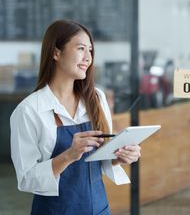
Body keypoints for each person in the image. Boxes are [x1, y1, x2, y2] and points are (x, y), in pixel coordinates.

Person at [10, 19, 141, 215]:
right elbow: (26, 178)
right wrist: (69, 155)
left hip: (98, 208)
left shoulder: (96, 98)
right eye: (81, 48)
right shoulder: (29, 110)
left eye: (90, 50)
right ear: (56, 53)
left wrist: (119, 157)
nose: (88, 58)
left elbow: (97, 160)